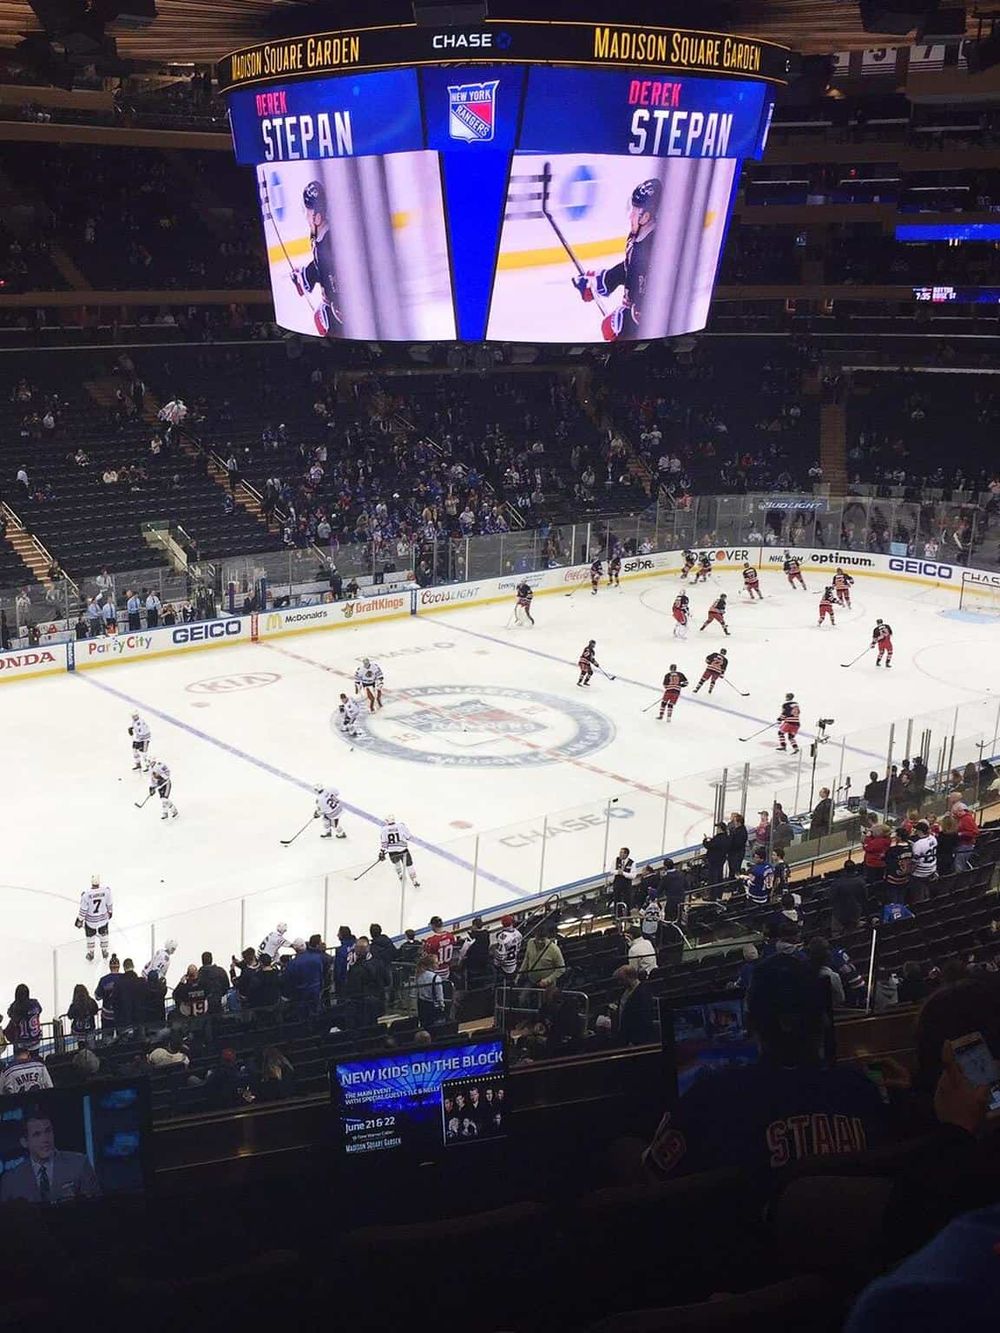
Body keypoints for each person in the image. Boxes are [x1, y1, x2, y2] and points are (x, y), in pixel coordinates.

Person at [640, 955, 888, 1187]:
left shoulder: (710, 1096)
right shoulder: (862, 1089)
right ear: (821, 1019)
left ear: (750, 1024)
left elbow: (654, 1173)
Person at [0, 1105, 100, 1203]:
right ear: (24, 1142)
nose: (45, 1139)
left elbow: (97, 1206)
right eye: (37, 1134)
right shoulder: (11, 1180)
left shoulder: (79, 1164)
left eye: (48, 1131)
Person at [340, 936, 391, 1028]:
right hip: (376, 1002)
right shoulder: (379, 963)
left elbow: (351, 989)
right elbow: (387, 981)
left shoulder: (355, 969)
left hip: (360, 1006)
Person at [75, 873, 113, 963]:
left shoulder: (86, 894)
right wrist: (110, 912)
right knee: (104, 935)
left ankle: (91, 953)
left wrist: (80, 919)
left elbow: (83, 909)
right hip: (103, 919)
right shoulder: (106, 891)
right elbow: (109, 904)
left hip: (91, 921)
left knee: (90, 936)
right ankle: (105, 951)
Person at [614, 966, 656, 1045]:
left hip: (638, 1037)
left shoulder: (643, 992)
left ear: (630, 977)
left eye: (622, 979)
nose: (619, 983)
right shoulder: (624, 992)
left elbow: (644, 1017)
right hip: (625, 1035)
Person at [283, 938, 325, 1014]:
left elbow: (288, 981)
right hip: (315, 990)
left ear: (295, 949)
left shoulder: (292, 964)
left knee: (302, 1015)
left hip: (301, 994)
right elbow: (321, 973)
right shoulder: (317, 957)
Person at [828, 859, 868, 936]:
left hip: (840, 914)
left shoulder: (837, 883)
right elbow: (865, 898)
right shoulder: (861, 882)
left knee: (837, 934)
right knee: (852, 934)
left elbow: (831, 898)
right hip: (855, 913)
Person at [379, 816, 420, 888]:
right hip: (403, 850)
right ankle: (414, 880)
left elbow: (384, 843)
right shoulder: (401, 826)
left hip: (392, 852)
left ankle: (400, 874)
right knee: (409, 865)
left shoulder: (384, 829)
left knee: (396, 863)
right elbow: (408, 837)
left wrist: (382, 852)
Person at [413, 952, 446, 1030]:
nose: (438, 964)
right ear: (431, 965)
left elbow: (417, 990)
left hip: (421, 1004)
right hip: (432, 1005)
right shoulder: (436, 978)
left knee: (424, 1025)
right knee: (434, 1027)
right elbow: (439, 995)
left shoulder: (419, 974)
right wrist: (442, 1005)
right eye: (436, 963)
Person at [5, 984, 42, 1053]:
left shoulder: (15, 1008)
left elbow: (10, 1014)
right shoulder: (35, 1004)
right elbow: (40, 1010)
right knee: (35, 1058)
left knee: (21, 1059)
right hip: (35, 1040)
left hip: (22, 1043)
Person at [702, 823, 730, 899]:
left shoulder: (718, 838)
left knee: (713, 878)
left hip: (714, 860)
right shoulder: (726, 837)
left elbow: (709, 845)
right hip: (721, 859)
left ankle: (712, 896)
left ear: (720, 829)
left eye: (718, 828)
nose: (717, 830)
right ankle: (718, 895)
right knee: (719, 877)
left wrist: (705, 840)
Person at [95, 955, 121, 1034]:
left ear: (110, 967)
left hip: (107, 1015)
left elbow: (97, 996)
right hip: (121, 1014)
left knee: (107, 1037)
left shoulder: (104, 980)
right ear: (118, 967)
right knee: (122, 1038)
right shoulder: (124, 978)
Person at [954, 803, 979, 872]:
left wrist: (960, 834)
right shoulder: (962, 818)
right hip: (964, 844)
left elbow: (974, 832)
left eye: (956, 812)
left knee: (959, 864)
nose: (956, 814)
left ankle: (961, 877)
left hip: (965, 845)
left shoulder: (966, 819)